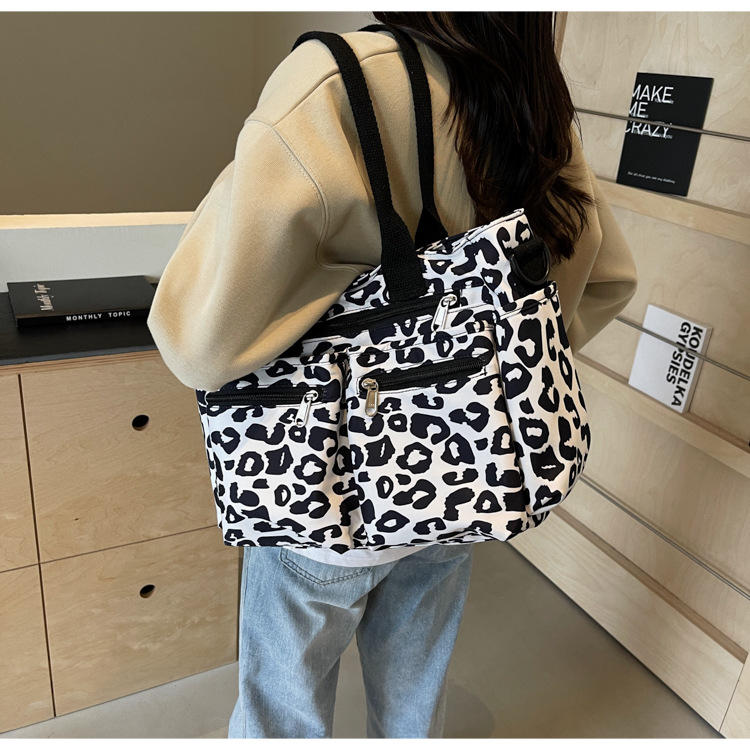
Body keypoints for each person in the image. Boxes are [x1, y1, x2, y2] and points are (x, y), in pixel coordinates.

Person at [147, 12, 637, 739]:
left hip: (322, 495)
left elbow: (200, 346)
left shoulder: (332, 84)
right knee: (413, 707)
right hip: (462, 479)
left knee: (282, 714)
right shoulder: (532, 96)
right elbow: (604, 281)